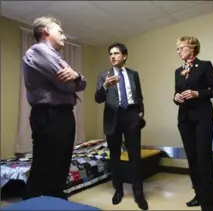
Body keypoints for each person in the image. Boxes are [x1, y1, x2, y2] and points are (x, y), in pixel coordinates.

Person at [22, 16, 87, 200]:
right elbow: (69, 85)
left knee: (60, 166)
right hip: (49, 115)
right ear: (46, 31)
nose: (64, 37)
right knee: (45, 168)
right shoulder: (37, 52)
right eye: (60, 32)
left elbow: (79, 82)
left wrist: (77, 77)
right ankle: (31, 204)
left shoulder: (56, 57)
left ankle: (56, 203)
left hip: (62, 115)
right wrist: (77, 79)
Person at [95, 43, 148, 210]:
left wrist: (140, 113)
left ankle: (139, 195)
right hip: (112, 117)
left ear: (124, 56)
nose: (112, 56)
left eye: (116, 53)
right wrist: (105, 86)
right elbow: (98, 98)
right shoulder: (104, 75)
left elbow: (139, 96)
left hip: (131, 115)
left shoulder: (134, 74)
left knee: (135, 156)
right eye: (110, 53)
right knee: (115, 157)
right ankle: (118, 191)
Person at [173, 36, 213, 211]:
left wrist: (197, 93)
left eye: (181, 48)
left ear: (192, 48)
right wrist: (176, 98)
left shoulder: (205, 66)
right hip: (184, 120)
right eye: (177, 48)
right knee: (192, 160)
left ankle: (210, 206)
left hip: (203, 119)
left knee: (204, 160)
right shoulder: (178, 70)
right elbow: (177, 94)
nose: (178, 51)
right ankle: (199, 196)